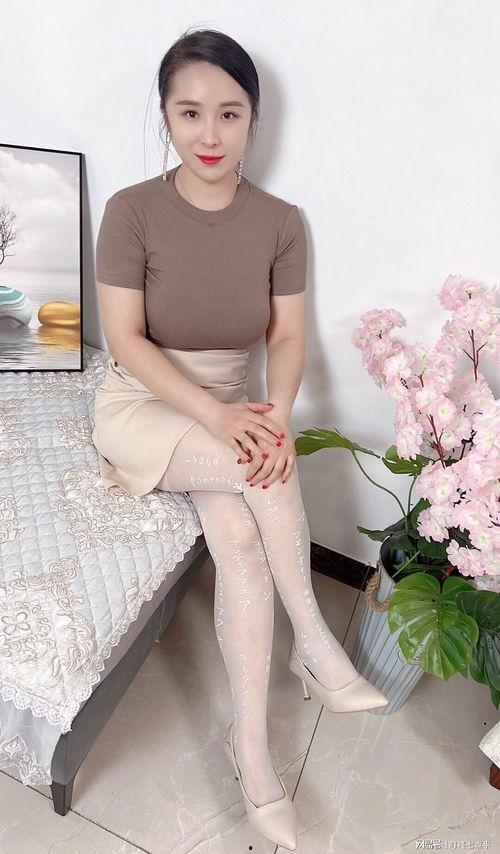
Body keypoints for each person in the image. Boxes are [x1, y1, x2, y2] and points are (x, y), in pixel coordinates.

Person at [91, 28, 387, 850]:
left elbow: (287, 337)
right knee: (259, 472)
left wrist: (273, 413)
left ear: (254, 116)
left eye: (229, 112)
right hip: (145, 402)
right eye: (190, 112)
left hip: (229, 405)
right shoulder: (130, 211)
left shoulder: (281, 222)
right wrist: (224, 420)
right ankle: (315, 644)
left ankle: (250, 752)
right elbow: (126, 342)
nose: (210, 133)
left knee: (241, 540)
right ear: (165, 115)